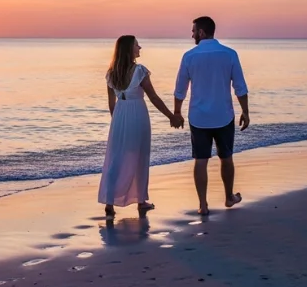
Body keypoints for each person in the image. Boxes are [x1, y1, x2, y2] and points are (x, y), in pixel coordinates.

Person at [98, 35, 181, 217]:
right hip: (137, 116)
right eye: (137, 45)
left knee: (116, 158)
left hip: (120, 117)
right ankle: (141, 201)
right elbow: (153, 97)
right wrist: (171, 116)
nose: (140, 47)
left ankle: (109, 203)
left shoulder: (111, 74)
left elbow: (112, 104)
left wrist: (118, 123)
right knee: (140, 155)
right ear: (129, 49)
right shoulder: (139, 71)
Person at [173, 16, 249, 216]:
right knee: (226, 158)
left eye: (193, 31)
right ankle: (229, 197)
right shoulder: (229, 54)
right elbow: (240, 87)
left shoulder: (189, 56)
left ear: (202, 32)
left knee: (200, 160)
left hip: (199, 117)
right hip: (223, 115)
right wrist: (246, 112)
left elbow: (180, 89)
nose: (191, 34)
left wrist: (177, 112)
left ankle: (203, 205)